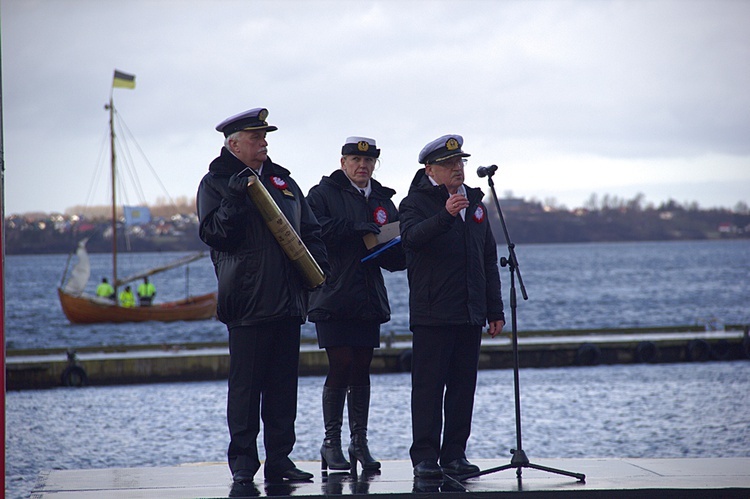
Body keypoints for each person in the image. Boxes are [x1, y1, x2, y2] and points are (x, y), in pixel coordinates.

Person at [197, 107, 329, 485]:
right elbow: (216, 234)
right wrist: (236, 199)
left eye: (265, 137)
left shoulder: (282, 181)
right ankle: (243, 462)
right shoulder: (216, 184)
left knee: (283, 390)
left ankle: (280, 460)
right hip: (248, 302)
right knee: (245, 390)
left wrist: (318, 270)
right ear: (234, 144)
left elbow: (311, 230)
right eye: (256, 138)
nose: (264, 143)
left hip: (288, 301)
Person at [398, 134, 505, 479]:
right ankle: (425, 457)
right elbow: (412, 240)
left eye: (460, 163)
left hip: (470, 311)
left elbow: (487, 258)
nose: (458, 169)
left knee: (463, 387)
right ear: (430, 169)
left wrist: (495, 310)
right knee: (429, 387)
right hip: (433, 312)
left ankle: (455, 454)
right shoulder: (414, 202)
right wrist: (444, 215)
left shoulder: (475, 203)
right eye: (449, 164)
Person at [306, 136, 406, 474]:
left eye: (368, 161)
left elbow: (390, 251)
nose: (362, 166)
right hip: (332, 291)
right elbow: (313, 228)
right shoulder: (322, 194)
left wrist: (401, 253)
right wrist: (354, 228)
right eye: (355, 160)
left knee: (362, 367)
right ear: (343, 162)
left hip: (367, 295)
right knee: (341, 363)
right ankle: (331, 442)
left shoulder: (381, 199)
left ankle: (358, 441)